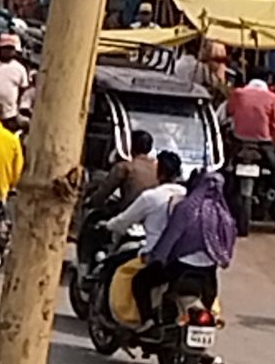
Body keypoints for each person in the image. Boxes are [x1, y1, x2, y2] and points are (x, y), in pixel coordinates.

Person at [135, 171, 235, 325]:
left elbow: (169, 239)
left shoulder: (186, 209)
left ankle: (147, 320)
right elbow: (227, 247)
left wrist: (155, 258)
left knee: (140, 281)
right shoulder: (224, 215)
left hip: (179, 269)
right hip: (208, 276)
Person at [108, 151, 186, 327]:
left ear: (160, 172)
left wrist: (109, 225)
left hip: (153, 255)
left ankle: (146, 319)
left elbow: (125, 219)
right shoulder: (187, 195)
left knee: (137, 281)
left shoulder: (151, 197)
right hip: (182, 258)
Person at [88, 130, 158, 210]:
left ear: (130, 146)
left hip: (127, 212)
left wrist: (91, 203)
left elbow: (104, 192)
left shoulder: (125, 167)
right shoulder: (159, 169)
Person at [225, 68, 275, 146]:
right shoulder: (272, 97)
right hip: (263, 140)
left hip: (238, 137)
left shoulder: (238, 93)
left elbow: (229, 111)